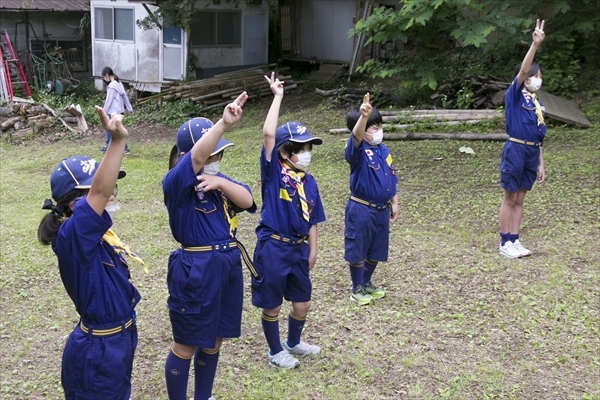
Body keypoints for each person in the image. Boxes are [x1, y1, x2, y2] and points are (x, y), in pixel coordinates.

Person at [38, 108, 146, 399]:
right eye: (103, 189)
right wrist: (117, 141)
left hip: (118, 340)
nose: (111, 194)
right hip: (98, 352)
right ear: (75, 205)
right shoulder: (72, 236)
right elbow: (98, 193)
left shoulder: (97, 237)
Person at [162, 92, 257, 400]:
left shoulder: (217, 183)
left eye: (219, 155)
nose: (214, 161)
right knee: (187, 343)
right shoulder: (177, 183)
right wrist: (223, 124)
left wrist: (221, 183)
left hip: (226, 267)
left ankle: (203, 396)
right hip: (196, 270)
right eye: (211, 155)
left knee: (214, 338)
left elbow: (248, 200)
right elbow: (196, 158)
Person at [251, 72, 326, 369]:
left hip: (298, 249)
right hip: (274, 247)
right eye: (301, 149)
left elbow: (314, 219)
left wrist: (313, 249)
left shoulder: (310, 182)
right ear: (285, 152)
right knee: (272, 304)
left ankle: (293, 342)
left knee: (302, 302)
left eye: (309, 148)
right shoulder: (273, 174)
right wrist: (277, 96)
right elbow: (269, 135)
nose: (307, 154)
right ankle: (274, 351)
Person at [343, 93, 399, 306]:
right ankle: (356, 287)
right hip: (361, 209)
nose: (378, 130)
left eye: (379, 125)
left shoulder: (383, 150)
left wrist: (394, 200)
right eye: (372, 127)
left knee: (377, 249)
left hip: (381, 209)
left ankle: (366, 283)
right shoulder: (357, 152)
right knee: (358, 248)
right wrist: (363, 117)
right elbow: (356, 136)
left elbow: (390, 177)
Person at [498, 19, 547, 259]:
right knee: (510, 196)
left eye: (540, 75)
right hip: (515, 150)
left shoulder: (537, 103)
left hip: (531, 152)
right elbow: (523, 70)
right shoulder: (515, 96)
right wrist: (535, 45)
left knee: (520, 197)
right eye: (534, 75)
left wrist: (541, 163)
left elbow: (539, 136)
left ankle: (515, 239)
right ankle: (504, 241)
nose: (537, 78)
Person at [100, 66, 133, 154]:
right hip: (120, 111)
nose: (104, 78)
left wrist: (103, 111)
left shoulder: (111, 86)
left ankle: (109, 145)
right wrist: (129, 108)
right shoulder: (119, 83)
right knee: (118, 129)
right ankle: (123, 148)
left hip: (112, 112)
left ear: (107, 75)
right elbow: (125, 96)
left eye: (104, 76)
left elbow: (108, 100)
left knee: (109, 128)